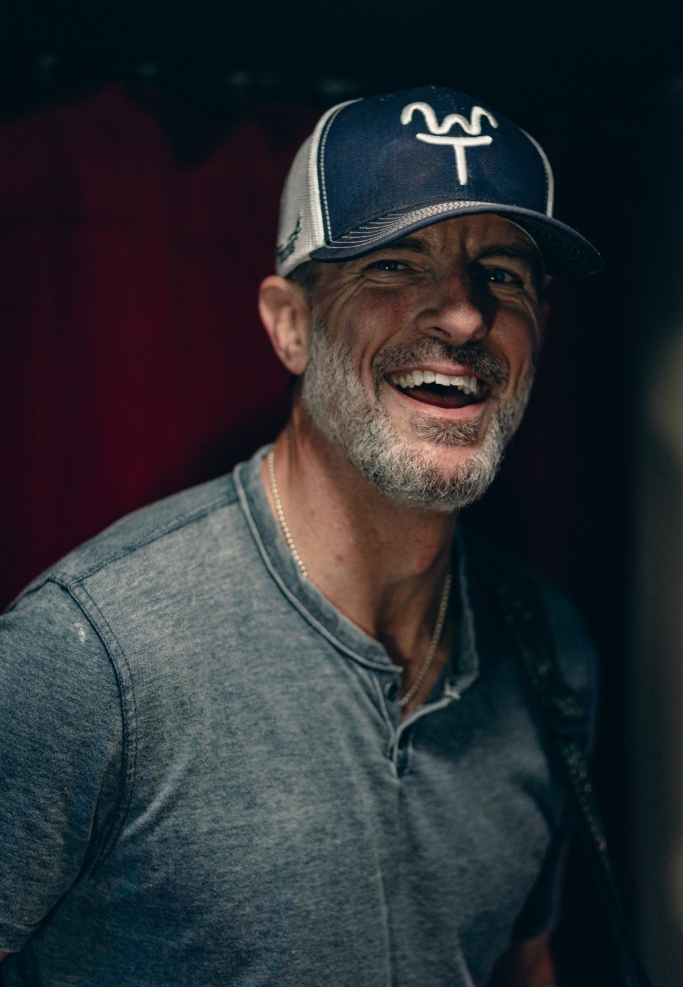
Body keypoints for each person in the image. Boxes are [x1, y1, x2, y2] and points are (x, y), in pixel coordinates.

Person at [0, 84, 601, 986]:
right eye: (394, 265)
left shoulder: (549, 646)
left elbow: (523, 963)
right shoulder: (84, 660)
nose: (465, 316)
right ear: (289, 325)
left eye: (504, 276)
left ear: (537, 333)